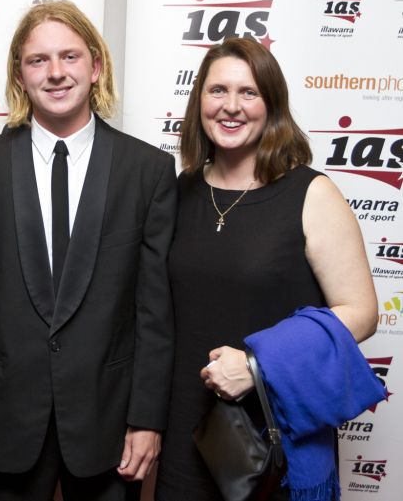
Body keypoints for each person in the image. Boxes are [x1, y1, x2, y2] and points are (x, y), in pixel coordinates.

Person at [0, 0, 176, 500]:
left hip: (109, 420)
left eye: (69, 56)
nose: (55, 73)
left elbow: (154, 309)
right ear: (19, 75)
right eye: (38, 60)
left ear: (95, 67)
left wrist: (147, 418)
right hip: (3, 416)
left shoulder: (148, 171)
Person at [155, 37, 378, 501]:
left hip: (275, 435)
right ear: (199, 101)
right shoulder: (180, 191)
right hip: (186, 434)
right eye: (218, 90)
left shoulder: (311, 194)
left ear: (271, 105)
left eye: (249, 92)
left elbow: (361, 312)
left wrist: (257, 366)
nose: (231, 106)